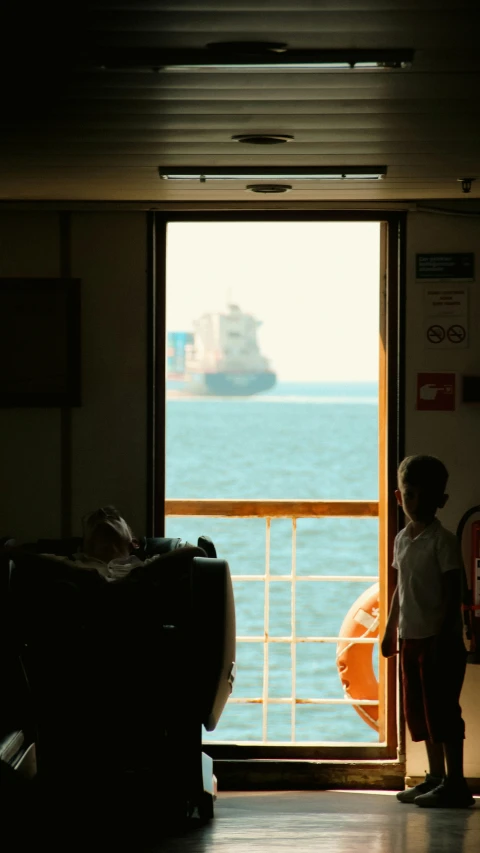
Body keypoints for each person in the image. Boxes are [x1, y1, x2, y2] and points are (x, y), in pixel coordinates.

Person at [382, 455, 474, 808]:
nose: (417, 504)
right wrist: (390, 630)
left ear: (442, 500)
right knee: (420, 711)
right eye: (411, 495)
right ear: (399, 496)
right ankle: (435, 777)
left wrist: (443, 636)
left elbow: (455, 592)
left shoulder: (443, 541)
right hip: (411, 639)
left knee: (444, 711)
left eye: (426, 496)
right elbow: (400, 589)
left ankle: (456, 782)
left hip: (439, 641)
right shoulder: (402, 540)